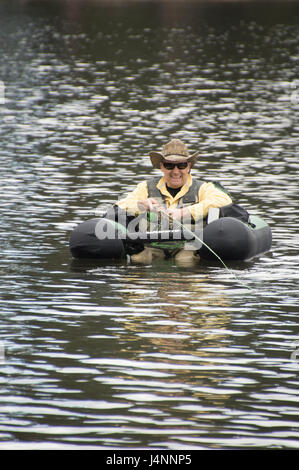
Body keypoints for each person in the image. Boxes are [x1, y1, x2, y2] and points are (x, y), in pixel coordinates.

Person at [116, 139, 232, 263]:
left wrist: (184, 212)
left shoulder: (203, 188)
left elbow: (224, 200)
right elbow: (121, 205)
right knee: (137, 260)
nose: (175, 171)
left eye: (181, 165)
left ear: (189, 167)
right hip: (152, 247)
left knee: (185, 261)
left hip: (189, 247)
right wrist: (140, 205)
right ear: (162, 167)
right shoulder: (145, 187)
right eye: (169, 165)